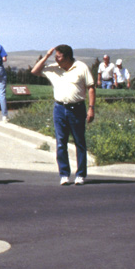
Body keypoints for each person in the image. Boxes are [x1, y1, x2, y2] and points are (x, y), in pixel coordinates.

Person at [31, 45, 96, 186]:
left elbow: (91, 87)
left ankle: (80, 175)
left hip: (77, 108)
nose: (56, 59)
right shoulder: (54, 68)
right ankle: (64, 174)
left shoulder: (81, 67)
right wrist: (47, 56)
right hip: (60, 108)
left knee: (79, 142)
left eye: (59, 56)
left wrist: (91, 108)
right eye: (55, 56)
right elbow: (34, 71)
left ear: (67, 57)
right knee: (61, 142)